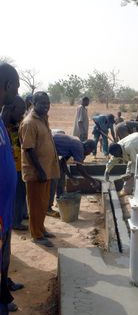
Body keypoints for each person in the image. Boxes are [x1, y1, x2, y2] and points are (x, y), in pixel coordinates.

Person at [0, 62, 28, 315]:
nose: (17, 92)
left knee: (2, 268)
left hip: (4, 216)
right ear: (8, 86)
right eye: (16, 86)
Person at [19, 92, 60, 248]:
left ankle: (41, 229)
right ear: (33, 103)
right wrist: (40, 170)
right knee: (35, 205)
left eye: (48, 103)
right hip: (36, 172)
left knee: (43, 204)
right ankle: (36, 235)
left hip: (46, 170)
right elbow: (28, 149)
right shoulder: (30, 123)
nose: (46, 106)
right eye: (42, 103)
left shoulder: (43, 119)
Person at [48, 134, 99, 211]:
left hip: (52, 148)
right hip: (47, 148)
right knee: (54, 179)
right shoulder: (79, 148)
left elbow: (62, 162)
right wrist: (92, 180)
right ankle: (48, 207)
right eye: (90, 151)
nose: (89, 154)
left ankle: (61, 199)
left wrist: (70, 177)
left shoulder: (77, 144)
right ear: (87, 147)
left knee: (61, 173)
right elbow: (80, 168)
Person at [1, 96, 28, 230]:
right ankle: (15, 222)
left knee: (21, 194)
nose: (22, 114)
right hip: (11, 169)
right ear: (12, 109)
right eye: (21, 111)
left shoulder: (18, 123)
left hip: (19, 166)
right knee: (16, 196)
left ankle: (19, 216)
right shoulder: (3, 127)